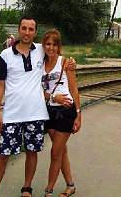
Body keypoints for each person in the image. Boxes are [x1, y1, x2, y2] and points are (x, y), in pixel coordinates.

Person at [0, 17, 75, 197]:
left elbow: (57, 53)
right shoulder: (5, 55)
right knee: (3, 154)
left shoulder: (40, 50)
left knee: (32, 152)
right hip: (12, 114)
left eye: (31, 29)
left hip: (36, 114)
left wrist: (71, 63)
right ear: (19, 29)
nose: (27, 32)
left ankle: (27, 187)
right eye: (24, 28)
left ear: (35, 32)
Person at [42, 29, 82, 197]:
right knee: (61, 151)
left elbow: (74, 88)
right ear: (43, 45)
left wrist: (79, 114)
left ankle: (49, 190)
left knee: (55, 153)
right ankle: (70, 185)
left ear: (59, 46)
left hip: (66, 111)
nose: (51, 48)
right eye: (48, 44)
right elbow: (39, 91)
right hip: (49, 111)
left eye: (54, 44)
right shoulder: (40, 64)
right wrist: (53, 97)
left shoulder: (65, 62)